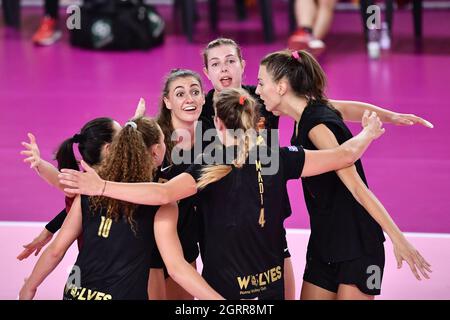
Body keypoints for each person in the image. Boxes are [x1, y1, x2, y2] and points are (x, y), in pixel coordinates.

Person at [58, 88, 385, 299]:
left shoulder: (203, 168)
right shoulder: (279, 156)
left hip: (223, 293)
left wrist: (99, 185)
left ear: (215, 121)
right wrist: (369, 132)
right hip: (268, 288)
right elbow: (344, 155)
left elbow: (160, 194)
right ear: (255, 121)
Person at [199, 37, 433, 299]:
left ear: (281, 87)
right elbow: (341, 110)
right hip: (323, 239)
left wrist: (397, 238)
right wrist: (383, 121)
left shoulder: (310, 123)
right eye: (216, 64)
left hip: (355, 243)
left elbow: (356, 185)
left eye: (262, 82)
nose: (259, 90)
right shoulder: (301, 117)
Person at [19, 117, 223, 300]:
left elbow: (56, 251)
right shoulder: (162, 204)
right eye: (162, 140)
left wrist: (29, 287)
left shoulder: (91, 191)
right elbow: (177, 269)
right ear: (156, 151)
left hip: (75, 294)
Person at [17, 101, 146, 260]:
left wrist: (136, 120)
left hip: (121, 265)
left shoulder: (122, 174)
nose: (127, 141)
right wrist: (41, 165)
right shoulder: (84, 183)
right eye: (122, 137)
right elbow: (60, 180)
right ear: (109, 149)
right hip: (97, 268)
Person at [149, 69, 205, 300]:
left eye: (194, 92)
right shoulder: (153, 139)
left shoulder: (212, 139)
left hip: (185, 242)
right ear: (167, 101)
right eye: (180, 94)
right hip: (146, 244)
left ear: (203, 98)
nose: (189, 99)